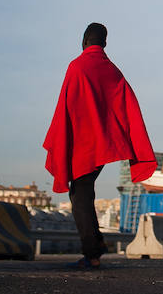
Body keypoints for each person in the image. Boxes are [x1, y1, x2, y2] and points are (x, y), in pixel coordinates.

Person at [43, 22, 157, 270]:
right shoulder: (114, 71)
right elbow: (128, 107)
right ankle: (96, 245)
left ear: (84, 41)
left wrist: (60, 140)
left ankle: (92, 253)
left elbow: (66, 107)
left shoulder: (77, 67)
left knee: (80, 196)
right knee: (85, 193)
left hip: (83, 145)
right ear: (104, 43)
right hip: (105, 148)